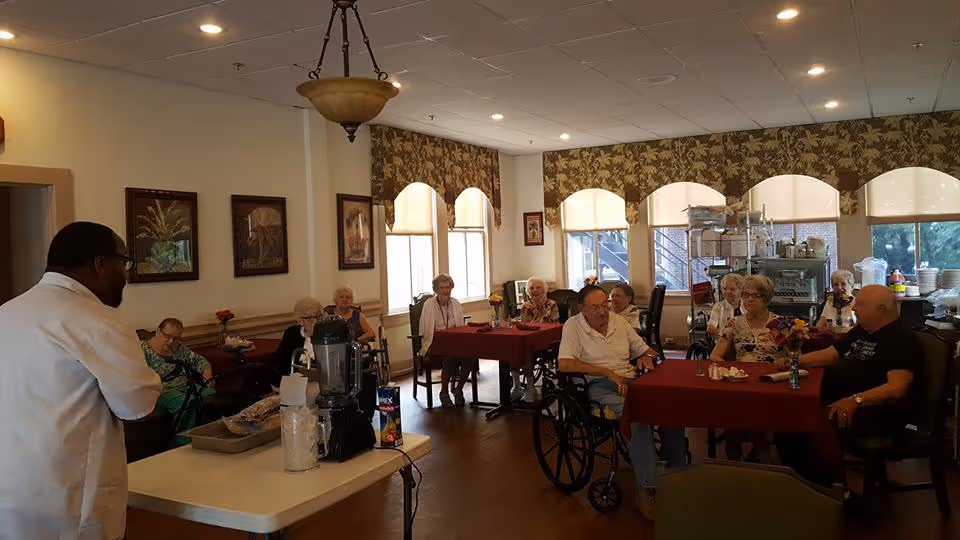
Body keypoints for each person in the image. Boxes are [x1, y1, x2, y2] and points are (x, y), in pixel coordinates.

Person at [0, 221, 162, 539]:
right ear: (101, 264)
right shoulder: (97, 320)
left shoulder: (8, 312)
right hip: (69, 502)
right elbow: (137, 406)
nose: (126, 275)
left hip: (11, 493)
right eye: (124, 263)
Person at [558, 285, 686, 521]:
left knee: (671, 410)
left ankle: (678, 474)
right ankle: (644, 490)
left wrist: (646, 356)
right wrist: (605, 372)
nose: (602, 311)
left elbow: (647, 350)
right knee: (635, 417)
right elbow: (564, 364)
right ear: (582, 309)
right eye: (595, 307)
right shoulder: (573, 326)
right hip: (597, 385)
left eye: (605, 304)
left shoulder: (620, 322)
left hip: (630, 380)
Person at [777, 285, 924, 486]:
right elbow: (832, 354)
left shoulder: (901, 340)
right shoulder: (863, 331)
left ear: (881, 309)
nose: (854, 309)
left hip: (876, 413)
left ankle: (827, 489)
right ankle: (810, 484)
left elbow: (896, 388)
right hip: (844, 401)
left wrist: (854, 401)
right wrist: (795, 360)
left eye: (861, 304)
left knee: (798, 426)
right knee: (787, 418)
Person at [709, 275, 779, 462]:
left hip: (770, 381)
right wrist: (731, 371)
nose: (749, 299)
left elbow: (793, 356)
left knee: (754, 407)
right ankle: (738, 450)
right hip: (742, 379)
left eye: (755, 295)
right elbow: (715, 355)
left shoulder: (780, 325)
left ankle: (759, 448)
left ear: (767, 298)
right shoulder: (734, 324)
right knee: (736, 405)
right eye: (745, 295)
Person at [141, 317, 214, 433]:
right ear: (158, 331)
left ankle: (208, 434)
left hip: (187, 387)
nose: (171, 341)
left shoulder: (179, 349)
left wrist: (208, 380)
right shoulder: (143, 350)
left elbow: (202, 363)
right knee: (187, 403)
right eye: (167, 336)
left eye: (176, 338)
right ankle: (184, 441)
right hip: (163, 392)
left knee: (211, 395)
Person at [418, 274, 470, 408]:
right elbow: (425, 330)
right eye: (442, 288)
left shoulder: (456, 303)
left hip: (454, 342)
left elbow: (460, 327)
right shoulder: (429, 305)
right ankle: (444, 392)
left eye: (448, 287)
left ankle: (458, 389)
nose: (445, 291)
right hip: (434, 343)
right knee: (449, 357)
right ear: (436, 290)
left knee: (470, 356)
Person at [513, 277, 559, 403]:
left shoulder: (551, 304)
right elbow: (524, 326)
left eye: (538, 287)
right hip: (530, 340)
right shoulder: (525, 307)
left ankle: (530, 388)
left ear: (544, 290)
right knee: (512, 350)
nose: (535, 290)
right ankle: (516, 386)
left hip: (547, 342)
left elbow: (554, 324)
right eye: (532, 288)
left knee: (528, 352)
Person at [274, 297, 325, 374]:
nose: (315, 321)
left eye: (318, 317)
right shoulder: (292, 334)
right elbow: (282, 363)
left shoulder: (328, 334)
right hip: (296, 379)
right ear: (300, 321)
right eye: (309, 318)